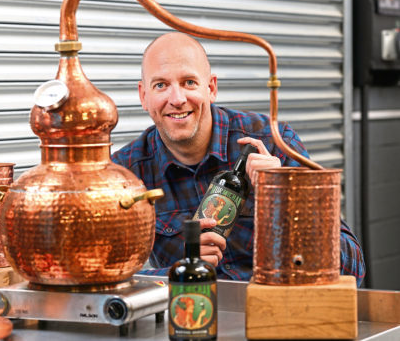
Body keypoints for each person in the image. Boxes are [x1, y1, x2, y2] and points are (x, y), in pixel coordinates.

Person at [112, 32, 365, 286]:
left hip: (277, 311)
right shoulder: (127, 172)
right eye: (161, 85)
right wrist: (181, 271)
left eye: (189, 82)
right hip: (194, 313)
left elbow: (352, 267)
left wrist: (284, 197)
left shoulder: (273, 141)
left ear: (211, 88)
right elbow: (100, 276)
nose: (177, 99)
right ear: (143, 96)